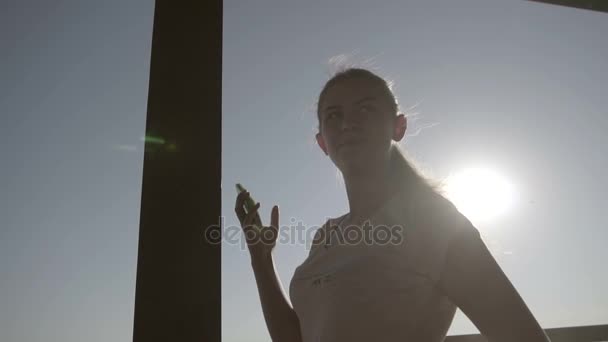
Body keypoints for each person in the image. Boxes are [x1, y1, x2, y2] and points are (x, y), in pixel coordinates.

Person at [234, 67, 551, 342]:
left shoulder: (432, 221)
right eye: (334, 116)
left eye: (365, 110)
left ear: (398, 127)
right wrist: (261, 261)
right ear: (321, 142)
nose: (348, 124)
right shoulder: (325, 237)